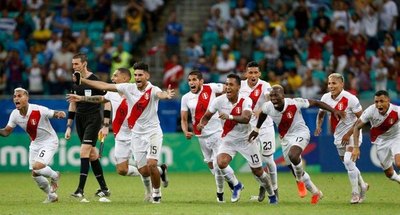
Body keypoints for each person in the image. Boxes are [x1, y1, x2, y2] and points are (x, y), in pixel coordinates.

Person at [75, 62, 175, 203]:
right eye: (136, 75)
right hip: (134, 134)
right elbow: (103, 88)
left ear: (147, 76)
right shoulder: (128, 89)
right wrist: (82, 82)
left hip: (152, 132)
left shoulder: (152, 90)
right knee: (140, 171)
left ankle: (156, 195)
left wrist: (166, 94)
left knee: (151, 163)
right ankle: (160, 171)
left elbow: (161, 94)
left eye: (140, 75)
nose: (138, 77)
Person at [249, 85, 345, 204]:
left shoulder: (295, 103)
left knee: (293, 156)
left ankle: (299, 181)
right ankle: (316, 192)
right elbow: (263, 114)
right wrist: (257, 129)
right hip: (285, 139)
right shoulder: (268, 106)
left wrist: (334, 110)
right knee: (295, 169)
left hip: (301, 133)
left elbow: (316, 103)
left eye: (276, 95)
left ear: (283, 96)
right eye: (272, 96)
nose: (273, 98)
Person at [198, 74, 277, 204]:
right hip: (228, 140)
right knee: (220, 162)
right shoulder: (219, 101)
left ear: (238, 87)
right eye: (227, 84)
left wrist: (229, 117)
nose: (228, 87)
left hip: (246, 140)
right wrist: (202, 124)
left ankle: (272, 195)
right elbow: (206, 116)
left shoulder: (246, 100)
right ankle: (236, 185)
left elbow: (246, 119)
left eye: (231, 85)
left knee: (258, 172)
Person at [0, 88, 64, 203]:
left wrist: (60, 114)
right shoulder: (15, 114)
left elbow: (54, 113)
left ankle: (55, 175)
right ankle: (52, 196)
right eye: (15, 96)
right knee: (35, 174)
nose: (16, 98)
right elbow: (6, 132)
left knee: (37, 166)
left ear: (27, 98)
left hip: (49, 141)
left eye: (19, 96)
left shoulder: (38, 110)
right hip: (35, 143)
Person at [180, 70, 235, 203]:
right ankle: (229, 182)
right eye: (189, 80)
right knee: (211, 165)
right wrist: (185, 130)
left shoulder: (211, 87)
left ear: (201, 81)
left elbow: (228, 89)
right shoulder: (186, 97)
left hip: (216, 132)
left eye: (194, 80)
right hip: (201, 136)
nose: (191, 82)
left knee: (218, 164)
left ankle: (229, 188)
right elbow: (183, 118)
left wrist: (229, 106)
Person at [315, 73, 369, 204]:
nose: (331, 86)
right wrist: (318, 126)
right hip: (338, 136)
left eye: (334, 83)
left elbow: (362, 120)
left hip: (352, 134)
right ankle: (362, 184)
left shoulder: (351, 99)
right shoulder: (326, 97)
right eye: (329, 83)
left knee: (348, 161)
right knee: (347, 163)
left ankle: (355, 193)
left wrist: (349, 134)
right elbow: (321, 113)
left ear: (342, 84)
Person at [65, 53, 111, 199]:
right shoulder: (74, 82)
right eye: (73, 64)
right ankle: (104, 188)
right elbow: (73, 103)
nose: (74, 67)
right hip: (80, 119)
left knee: (84, 151)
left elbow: (107, 101)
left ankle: (80, 190)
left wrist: (105, 125)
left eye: (77, 64)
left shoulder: (95, 80)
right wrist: (68, 125)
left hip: (93, 119)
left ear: (84, 64)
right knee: (92, 154)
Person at [239, 61, 278, 201]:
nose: (253, 75)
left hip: (265, 126)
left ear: (259, 74)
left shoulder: (265, 85)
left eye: (256, 72)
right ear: (246, 74)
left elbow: (269, 98)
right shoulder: (241, 86)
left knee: (268, 159)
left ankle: (275, 190)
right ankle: (264, 185)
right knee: (254, 164)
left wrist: (262, 109)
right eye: (250, 72)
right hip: (248, 128)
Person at [352, 90, 400, 186]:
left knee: (398, 163)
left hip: (396, 137)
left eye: (382, 101)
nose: (379, 104)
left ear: (388, 101)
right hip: (381, 141)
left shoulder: (397, 110)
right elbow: (356, 127)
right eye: (376, 102)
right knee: (389, 174)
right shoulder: (371, 111)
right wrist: (356, 147)